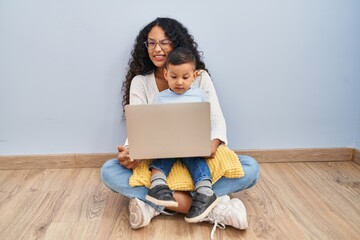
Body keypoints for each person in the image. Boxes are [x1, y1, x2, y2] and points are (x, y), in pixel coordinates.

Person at [100, 17, 260, 231]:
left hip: (197, 156)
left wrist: (210, 147)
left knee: (250, 168)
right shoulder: (141, 82)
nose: (157, 49)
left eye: (164, 42)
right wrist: (131, 151)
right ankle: (211, 208)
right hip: (158, 160)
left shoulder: (199, 77)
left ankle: (156, 205)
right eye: (151, 43)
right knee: (109, 171)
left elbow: (217, 120)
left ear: (176, 43)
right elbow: (138, 127)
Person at [146, 47, 218, 223]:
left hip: (192, 144)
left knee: (196, 159)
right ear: (165, 74)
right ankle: (158, 186)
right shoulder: (160, 98)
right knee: (162, 157)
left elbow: (206, 121)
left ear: (194, 76)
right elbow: (153, 124)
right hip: (168, 144)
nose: (179, 82)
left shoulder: (200, 95)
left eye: (185, 77)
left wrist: (207, 142)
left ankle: (205, 192)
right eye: (174, 77)